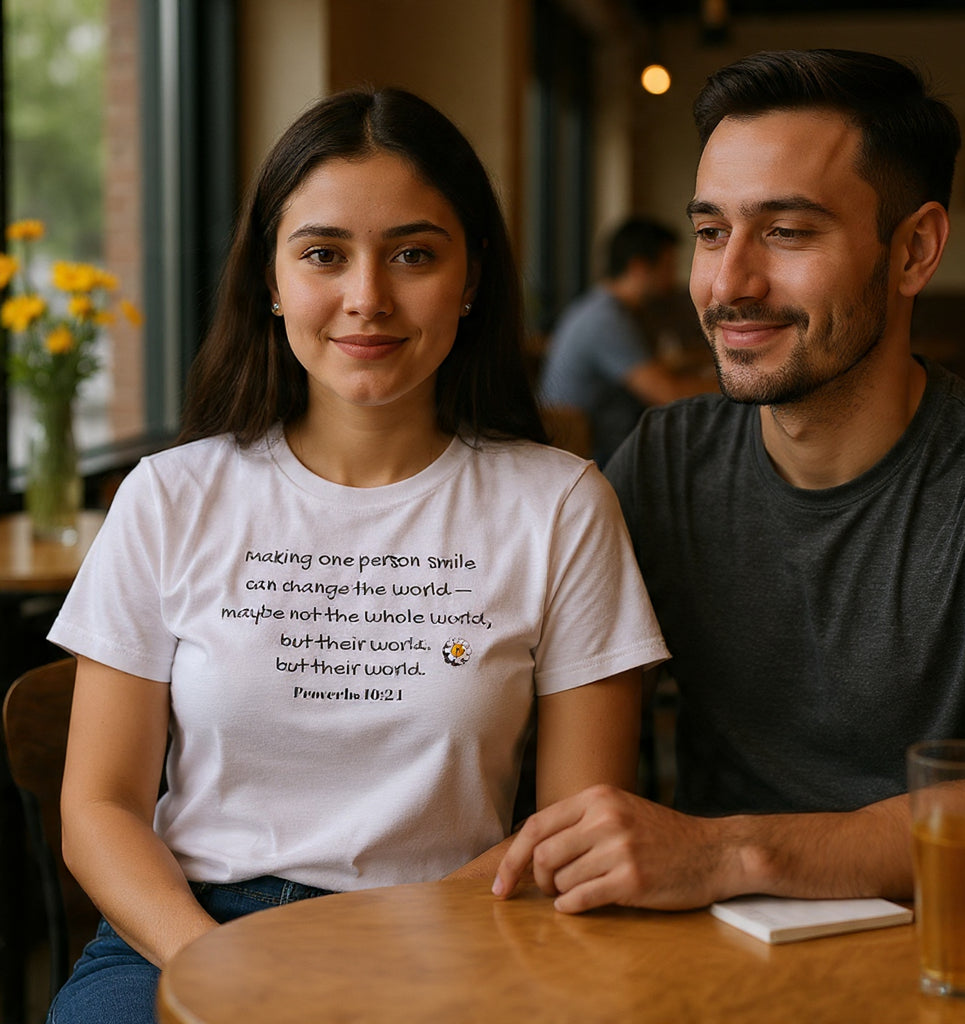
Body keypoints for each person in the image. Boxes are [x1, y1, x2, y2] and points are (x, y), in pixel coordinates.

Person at [45, 87, 668, 1023]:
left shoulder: (561, 504)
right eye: (323, 255)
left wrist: (383, 959)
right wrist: (223, 970)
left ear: (471, 277)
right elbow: (98, 810)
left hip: (455, 930)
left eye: (413, 254)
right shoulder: (170, 496)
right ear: (271, 277)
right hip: (186, 929)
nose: (367, 298)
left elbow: (568, 834)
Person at [493, 48, 965, 914]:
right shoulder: (668, 461)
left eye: (787, 232)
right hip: (701, 959)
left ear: (915, 250)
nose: (729, 283)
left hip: (945, 959)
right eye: (711, 233)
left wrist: (726, 851)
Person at [538, 216, 714, 466]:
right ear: (639, 268)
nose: (673, 277)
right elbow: (668, 393)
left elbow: (657, 368)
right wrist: (729, 384)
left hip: (603, 446)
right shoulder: (604, 320)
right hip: (588, 457)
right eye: (668, 266)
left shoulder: (612, 309)